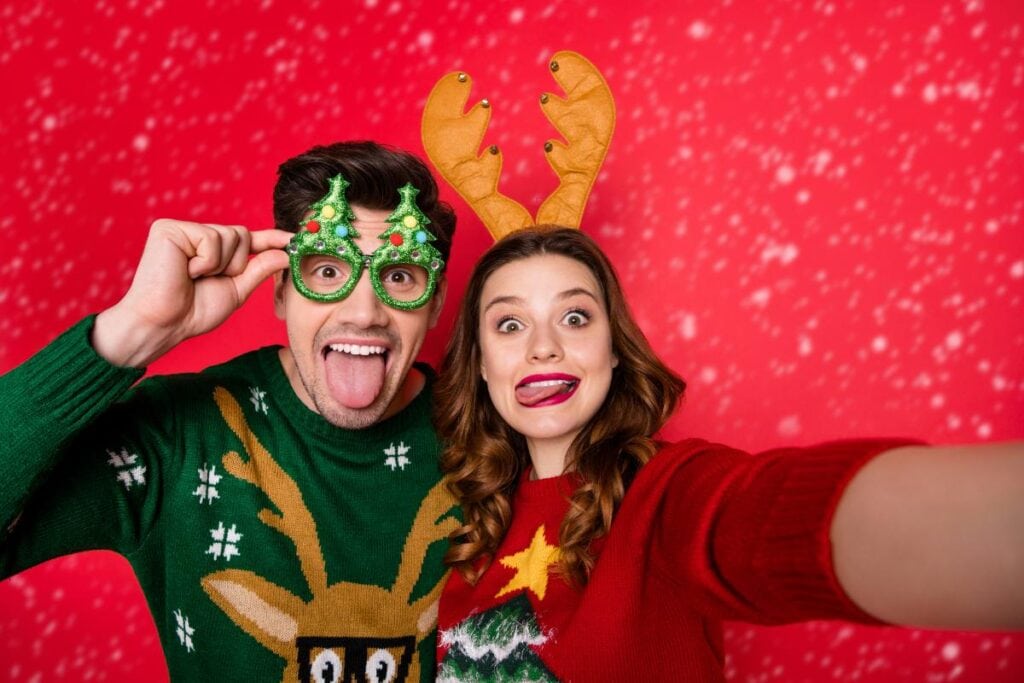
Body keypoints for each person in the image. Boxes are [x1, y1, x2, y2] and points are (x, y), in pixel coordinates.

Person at [432, 226, 1024, 682]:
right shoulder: (467, 526)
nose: (543, 347)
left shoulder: (664, 493)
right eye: (510, 325)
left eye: (575, 316)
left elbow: (764, 513)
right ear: (481, 365)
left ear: (613, 348)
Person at [0, 141, 461, 682]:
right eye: (328, 271)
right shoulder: (181, 434)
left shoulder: (492, 444)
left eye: (401, 276)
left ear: (435, 301)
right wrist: (131, 332)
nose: (363, 312)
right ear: (282, 290)